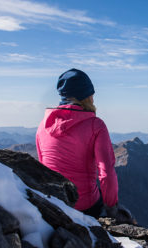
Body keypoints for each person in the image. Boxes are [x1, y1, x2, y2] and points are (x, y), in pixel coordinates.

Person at [36, 68, 134, 223]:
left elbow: (42, 168)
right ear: (85, 96)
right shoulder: (96, 125)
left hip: (53, 203)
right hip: (84, 206)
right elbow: (106, 174)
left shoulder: (43, 126)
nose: (93, 99)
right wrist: (112, 209)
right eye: (91, 95)